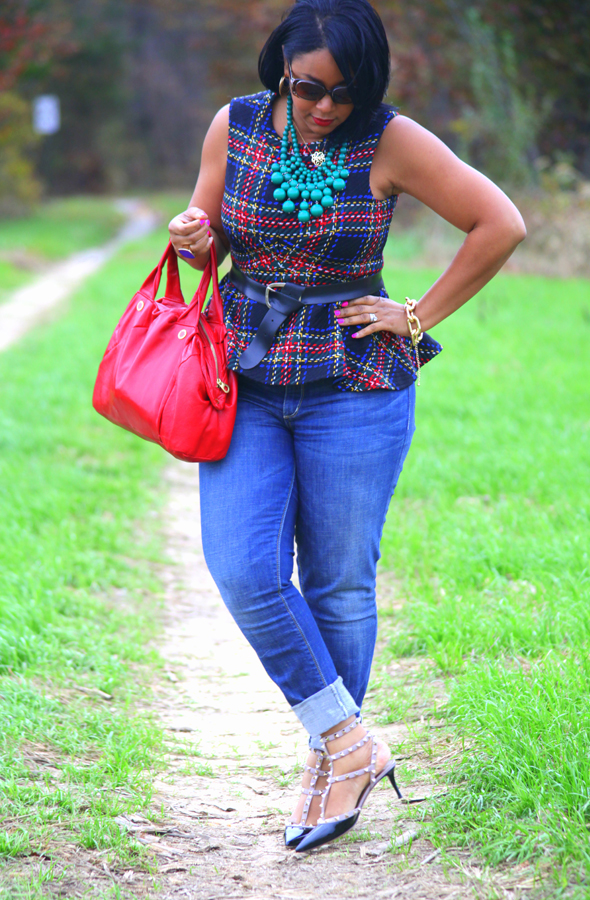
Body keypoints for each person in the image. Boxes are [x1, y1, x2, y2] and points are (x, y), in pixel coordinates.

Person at [168, 0, 526, 853]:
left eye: (346, 93)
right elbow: (210, 236)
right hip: (245, 376)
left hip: (354, 384)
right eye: (308, 88)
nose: (326, 107)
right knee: (246, 567)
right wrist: (194, 239)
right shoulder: (238, 125)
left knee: (337, 581)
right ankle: (350, 741)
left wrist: (414, 313)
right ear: (277, 69)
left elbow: (499, 223)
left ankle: (329, 762)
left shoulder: (392, 140)